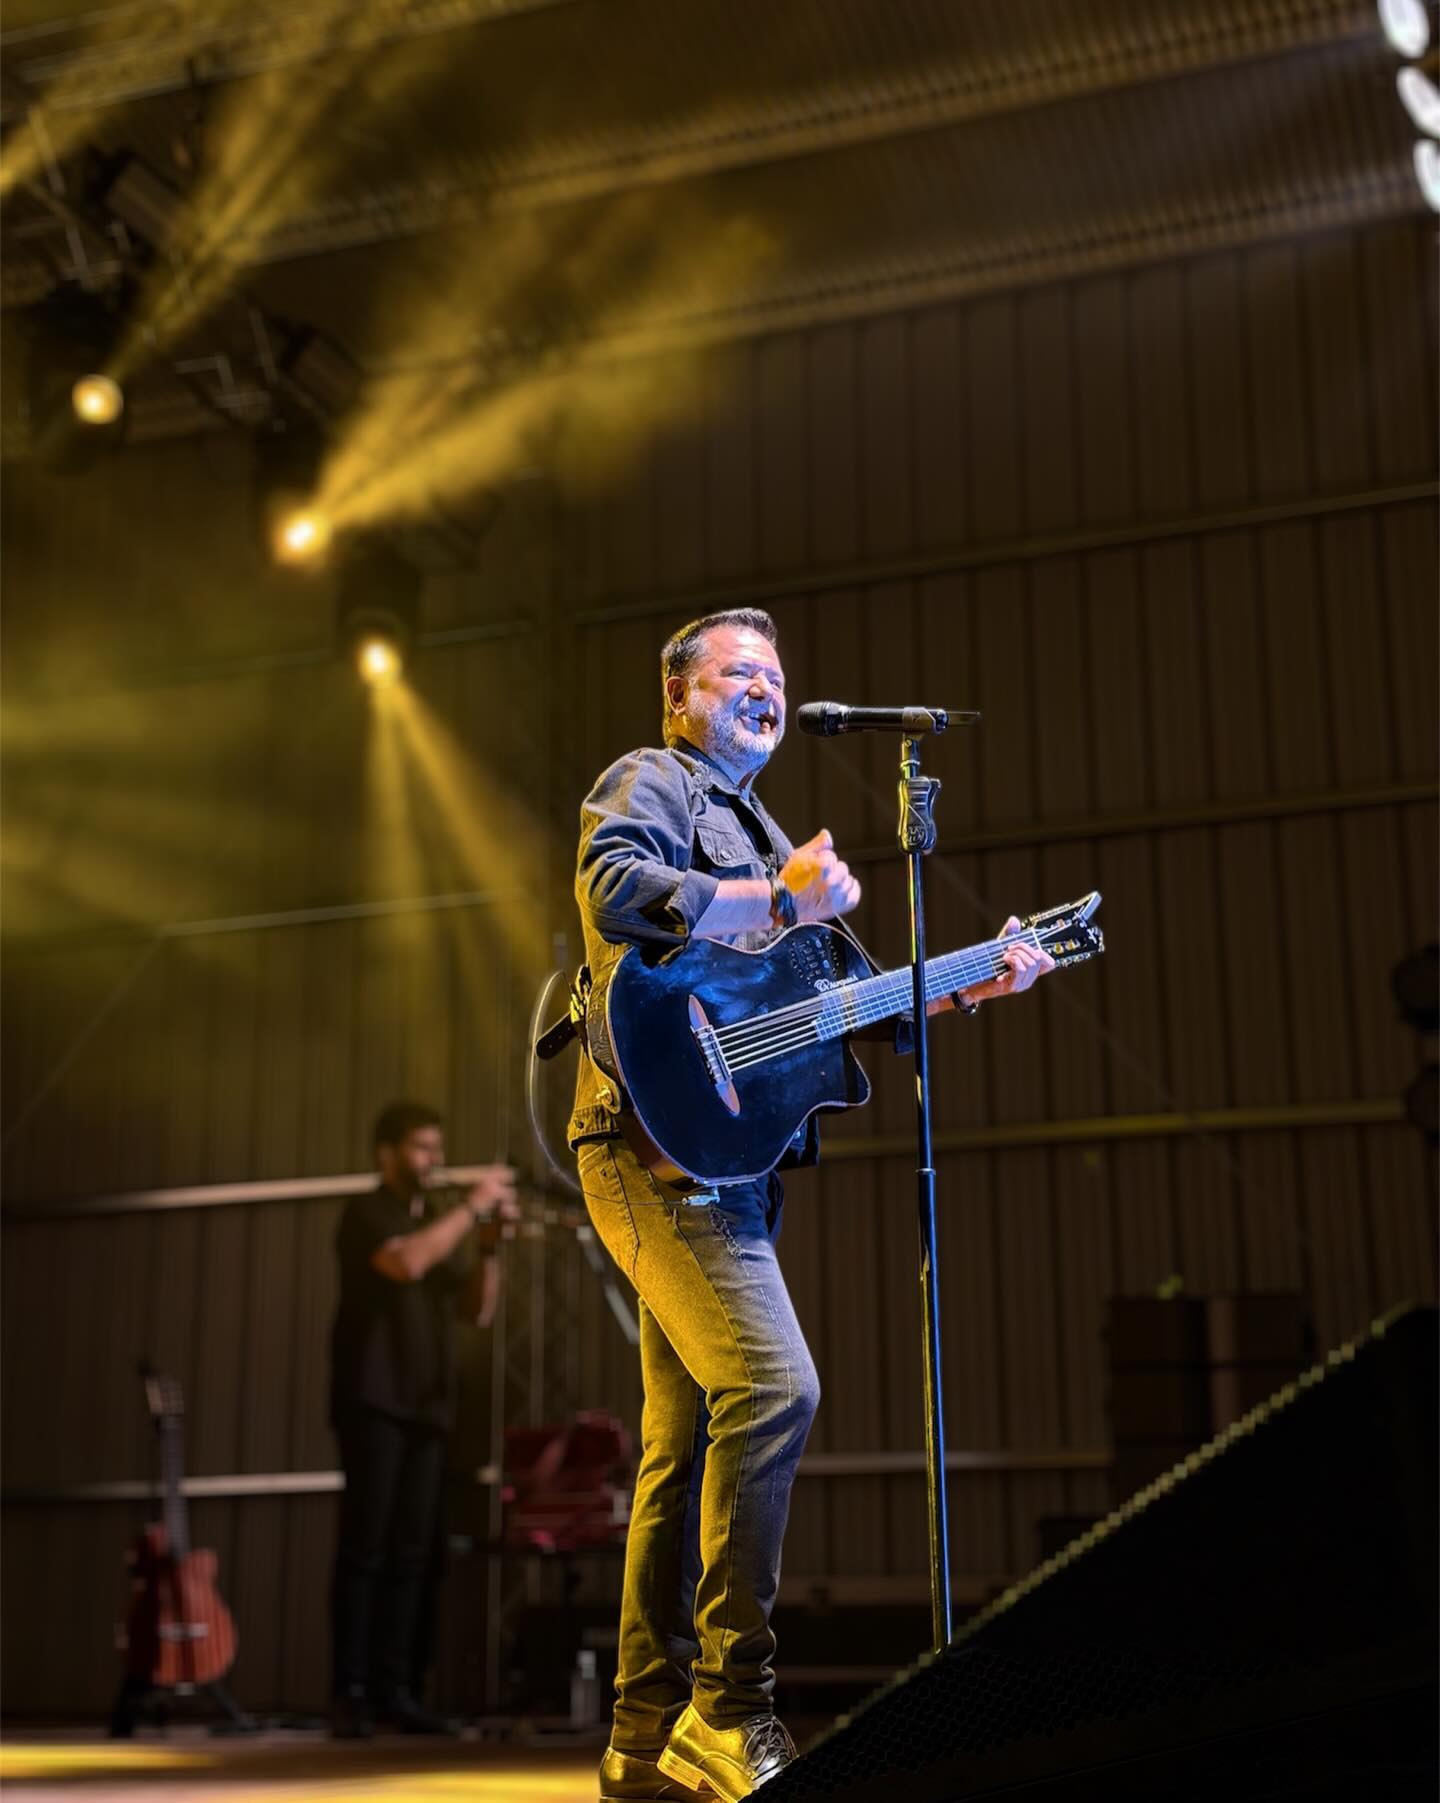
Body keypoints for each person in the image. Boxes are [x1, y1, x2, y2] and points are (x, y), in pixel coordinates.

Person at [570, 609, 1054, 1802]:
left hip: (731, 1166)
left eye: (777, 677)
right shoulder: (655, 782)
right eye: (740, 673)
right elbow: (613, 885)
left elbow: (850, 1003)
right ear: (681, 697)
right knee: (775, 1388)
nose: (768, 691)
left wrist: (977, 979)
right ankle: (732, 1708)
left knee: (686, 1441)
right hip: (646, 1149)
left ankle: (643, 1734)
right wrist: (776, 902)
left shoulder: (773, 835)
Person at [328, 1100, 517, 1737]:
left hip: (429, 1408)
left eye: (436, 1147)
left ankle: (398, 1689)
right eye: (420, 1147)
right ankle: (350, 1693)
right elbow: (405, 1263)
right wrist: (471, 1209)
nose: (433, 1159)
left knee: (415, 1553)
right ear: (386, 1153)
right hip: (374, 1402)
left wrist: (488, 1246)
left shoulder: (435, 1221)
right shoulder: (367, 1213)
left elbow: (476, 1311)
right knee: (366, 1548)